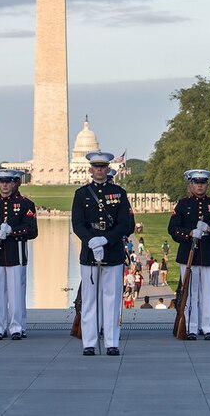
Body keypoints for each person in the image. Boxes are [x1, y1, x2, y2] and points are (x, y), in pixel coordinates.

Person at [71, 150, 135, 356]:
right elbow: (78, 224)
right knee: (89, 300)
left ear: (108, 169)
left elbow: (125, 224)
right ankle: (89, 342)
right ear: (90, 169)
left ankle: (111, 342)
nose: (99, 170)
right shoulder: (81, 194)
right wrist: (91, 241)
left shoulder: (119, 193)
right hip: (90, 253)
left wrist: (105, 239)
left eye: (102, 167)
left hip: (113, 251)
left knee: (112, 299)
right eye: (96, 167)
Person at [167, 169, 210, 340]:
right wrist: (189, 233)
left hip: (209, 255)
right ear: (190, 185)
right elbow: (172, 229)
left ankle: (209, 327)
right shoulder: (182, 205)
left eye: (203, 182)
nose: (200, 185)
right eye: (196, 182)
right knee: (190, 293)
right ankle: (190, 327)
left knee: (208, 294)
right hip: (188, 256)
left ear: (207, 185)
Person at [0, 169, 38, 340]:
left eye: (8, 182)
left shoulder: (25, 204)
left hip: (15, 254)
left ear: (14, 183)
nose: (4, 185)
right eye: (1, 181)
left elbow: (32, 231)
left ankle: (16, 327)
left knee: (16, 293)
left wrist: (13, 231)